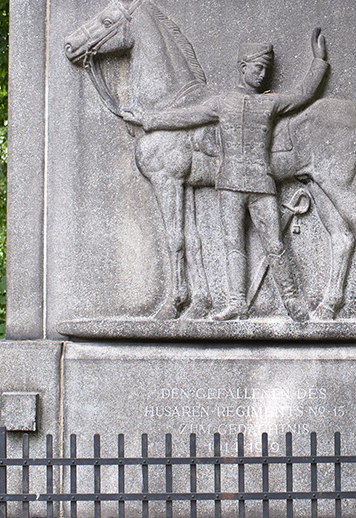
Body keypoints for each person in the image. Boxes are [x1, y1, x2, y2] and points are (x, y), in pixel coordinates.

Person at [124, 28, 328, 321]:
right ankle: (236, 304)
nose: (261, 75)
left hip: (262, 185)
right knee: (233, 245)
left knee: (275, 244)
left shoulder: (271, 102)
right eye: (257, 68)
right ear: (243, 67)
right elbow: (185, 117)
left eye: (265, 70)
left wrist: (318, 62)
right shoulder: (222, 103)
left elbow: (303, 94)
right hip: (229, 185)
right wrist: (151, 119)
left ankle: (292, 301)